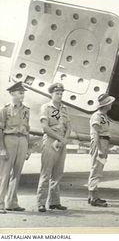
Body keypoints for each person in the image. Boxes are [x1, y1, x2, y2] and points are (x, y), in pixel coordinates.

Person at [36, 83, 71, 213]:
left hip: (62, 142)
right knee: (46, 173)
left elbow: (69, 126)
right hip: (50, 141)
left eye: (61, 93)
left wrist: (65, 139)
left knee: (58, 173)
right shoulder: (46, 107)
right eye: (57, 93)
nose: (60, 95)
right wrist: (60, 138)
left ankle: (54, 202)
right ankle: (41, 202)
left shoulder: (64, 109)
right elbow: (45, 127)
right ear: (51, 94)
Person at [0, 82, 30, 214]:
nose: (22, 95)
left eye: (23, 92)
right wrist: (2, 148)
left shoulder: (26, 110)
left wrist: (28, 148)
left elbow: (27, 129)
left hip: (22, 140)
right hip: (9, 140)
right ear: (12, 94)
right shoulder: (5, 109)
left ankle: (12, 203)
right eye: (20, 92)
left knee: (17, 173)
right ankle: (0, 203)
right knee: (4, 174)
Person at [88, 93, 115, 207]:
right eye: (110, 103)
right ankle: (94, 197)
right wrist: (99, 149)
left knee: (97, 169)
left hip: (103, 143)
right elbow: (95, 133)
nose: (111, 104)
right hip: (99, 143)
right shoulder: (97, 116)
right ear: (106, 105)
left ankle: (92, 196)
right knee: (96, 170)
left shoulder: (103, 116)